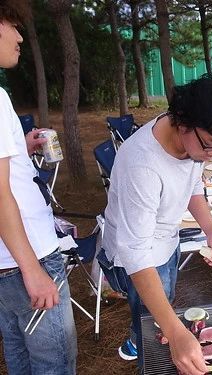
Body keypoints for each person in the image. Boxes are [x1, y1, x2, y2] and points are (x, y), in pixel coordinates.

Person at [99, 75, 212, 374]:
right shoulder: (141, 165)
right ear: (183, 124)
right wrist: (176, 330)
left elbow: (193, 188)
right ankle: (143, 351)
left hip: (167, 240)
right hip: (137, 257)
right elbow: (135, 252)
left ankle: (151, 331)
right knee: (154, 329)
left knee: (161, 312)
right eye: (211, 145)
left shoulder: (191, 140)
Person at [0, 3, 77, 373]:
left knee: (19, 356)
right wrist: (33, 269)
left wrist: (19, 148)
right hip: (25, 256)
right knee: (53, 362)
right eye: (12, 27)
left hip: (5, 261)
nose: (18, 38)